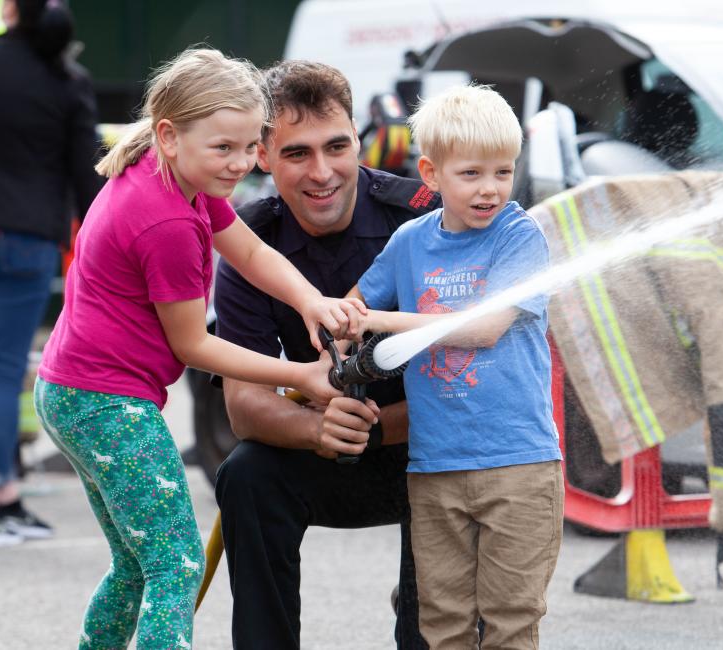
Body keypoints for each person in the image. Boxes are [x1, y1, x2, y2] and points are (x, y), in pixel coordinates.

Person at [33, 48, 363, 650]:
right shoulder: (166, 223)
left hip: (73, 393)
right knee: (176, 564)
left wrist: (313, 301)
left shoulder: (179, 173)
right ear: (170, 132)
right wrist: (305, 376)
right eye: (225, 148)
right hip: (105, 405)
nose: (241, 164)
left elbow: (251, 252)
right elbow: (194, 345)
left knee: (138, 565)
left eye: (248, 147)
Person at [213, 60, 441, 649]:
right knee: (246, 475)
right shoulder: (248, 241)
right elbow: (243, 407)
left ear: (358, 141)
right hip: (326, 449)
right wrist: (318, 431)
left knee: (460, 460)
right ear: (262, 156)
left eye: (336, 146)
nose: (323, 173)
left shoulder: (422, 215)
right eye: (297, 154)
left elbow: (475, 386)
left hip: (430, 451)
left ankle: (426, 619)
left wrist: (371, 427)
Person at [353, 85, 564, 649]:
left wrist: (382, 321)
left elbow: (482, 328)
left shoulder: (520, 236)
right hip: (434, 468)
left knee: (510, 621)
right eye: (471, 174)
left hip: (518, 468)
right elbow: (353, 307)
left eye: (503, 171)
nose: (491, 189)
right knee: (441, 624)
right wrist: (342, 323)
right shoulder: (408, 243)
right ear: (432, 173)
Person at [0, 0, 102, 549]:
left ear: (9, 11)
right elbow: (87, 178)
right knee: (1, 372)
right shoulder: (65, 80)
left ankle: (1, 496)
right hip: (26, 240)